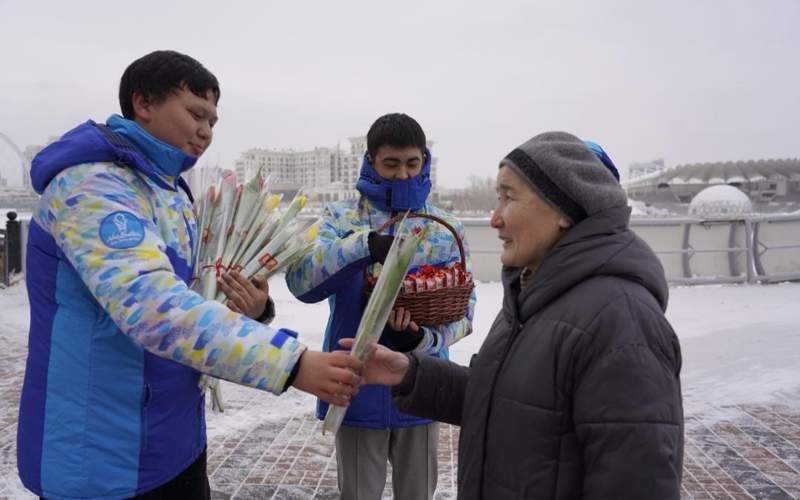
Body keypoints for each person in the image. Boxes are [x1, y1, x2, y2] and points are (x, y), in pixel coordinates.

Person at [17, 50, 363, 500]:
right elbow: (154, 308)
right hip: (101, 455)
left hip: (174, 438)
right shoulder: (92, 187)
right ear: (143, 103)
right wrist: (291, 363)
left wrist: (253, 309)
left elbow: (194, 297)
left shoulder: (171, 192)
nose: (206, 131)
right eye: (196, 114)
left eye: (213, 121)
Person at [345, 131, 684, 499]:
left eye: (508, 197)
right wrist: (410, 375)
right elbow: (508, 399)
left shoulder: (621, 324)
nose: (494, 219)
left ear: (563, 209)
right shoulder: (533, 294)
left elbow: (636, 482)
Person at [286, 113, 476, 500]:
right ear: (371, 160)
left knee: (418, 493)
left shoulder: (443, 228)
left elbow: (466, 313)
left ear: (424, 161)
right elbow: (301, 281)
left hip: (421, 387)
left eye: (412, 163)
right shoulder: (342, 219)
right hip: (355, 386)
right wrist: (364, 245)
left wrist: (421, 340)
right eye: (391, 164)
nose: (403, 175)